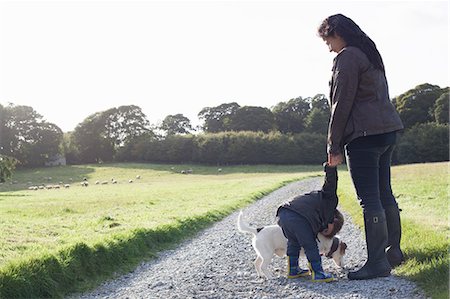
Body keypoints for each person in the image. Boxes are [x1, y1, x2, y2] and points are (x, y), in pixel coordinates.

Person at [317, 14, 405, 280]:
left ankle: (377, 262)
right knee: (384, 192)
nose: (328, 47)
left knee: (369, 199)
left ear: (336, 33)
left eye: (328, 40)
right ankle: (393, 253)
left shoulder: (347, 57)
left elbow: (341, 104)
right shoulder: (370, 53)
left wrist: (334, 144)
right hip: (386, 131)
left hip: (364, 136)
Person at [276, 163, 344, 282]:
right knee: (310, 245)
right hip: (298, 217)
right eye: (328, 230)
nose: (324, 231)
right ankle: (318, 273)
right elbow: (331, 183)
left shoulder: (318, 211)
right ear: (334, 219)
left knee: (293, 242)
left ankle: (293, 269)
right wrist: (331, 168)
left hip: (283, 214)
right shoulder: (329, 200)